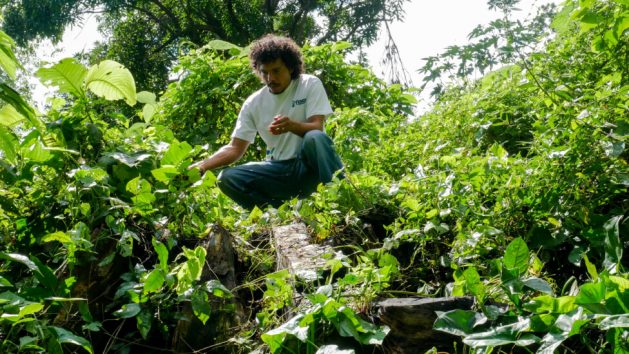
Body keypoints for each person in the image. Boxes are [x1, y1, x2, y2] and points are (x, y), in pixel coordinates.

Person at [189, 34, 343, 210]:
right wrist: (202, 167)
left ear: (291, 67)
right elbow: (235, 149)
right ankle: (279, 214)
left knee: (315, 137)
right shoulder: (253, 102)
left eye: (276, 71)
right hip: (279, 171)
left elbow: (317, 126)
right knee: (227, 178)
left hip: (310, 168)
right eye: (265, 72)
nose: (270, 78)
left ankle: (341, 197)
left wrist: (292, 126)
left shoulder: (309, 84)